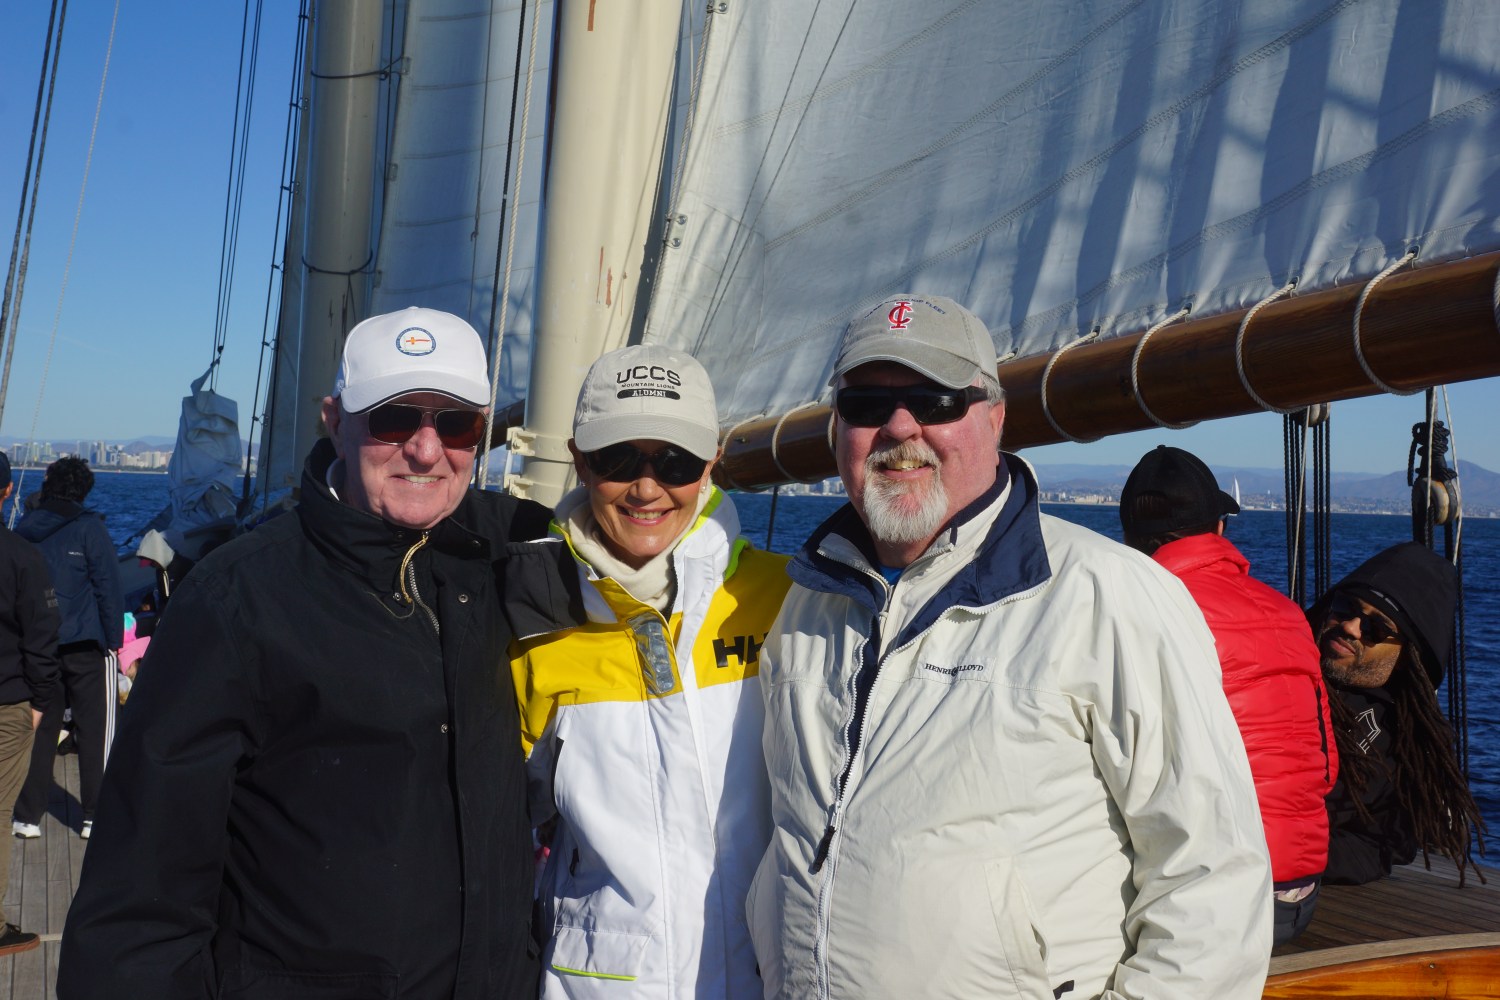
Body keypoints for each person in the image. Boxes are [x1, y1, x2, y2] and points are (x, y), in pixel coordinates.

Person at [747, 294, 1272, 1000]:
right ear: (838, 425)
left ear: (994, 416)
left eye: (936, 400)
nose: (900, 427)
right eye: (868, 402)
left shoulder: (1109, 596)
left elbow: (1213, 875)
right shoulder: (808, 603)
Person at [57, 307, 566, 999]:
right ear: (334, 418)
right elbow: (143, 894)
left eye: (456, 423)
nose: (425, 448)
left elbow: (645, 526)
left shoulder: (510, 562)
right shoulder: (240, 599)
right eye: (393, 418)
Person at [513, 345, 791, 998]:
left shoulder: (788, 602)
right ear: (579, 459)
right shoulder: (531, 632)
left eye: (675, 462)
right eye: (616, 460)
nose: (646, 487)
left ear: (711, 463)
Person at [1120, 445, 1338, 944]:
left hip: (1214, 896)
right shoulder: (1286, 612)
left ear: (1129, 537)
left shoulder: (1140, 607)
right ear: (1218, 529)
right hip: (1298, 889)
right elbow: (1327, 767)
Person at [1309, 542, 1487, 886]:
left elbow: (1380, 845)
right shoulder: (1272, 668)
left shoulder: (1410, 742)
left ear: (1409, 653)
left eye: (1376, 629)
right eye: (1345, 608)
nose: (1351, 627)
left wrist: (1288, 855)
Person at [11, 456, 122, 842]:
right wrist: (114, 641)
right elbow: (108, 585)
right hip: (86, 645)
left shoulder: (24, 529)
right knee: (97, 730)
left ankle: (26, 815)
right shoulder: (90, 528)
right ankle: (94, 814)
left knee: (41, 729)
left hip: (39, 645)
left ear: (48, 483)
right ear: (85, 490)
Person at [0, 450, 61, 955]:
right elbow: (40, 635)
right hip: (7, 703)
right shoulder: (21, 557)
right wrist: (41, 700)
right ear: (6, 493)